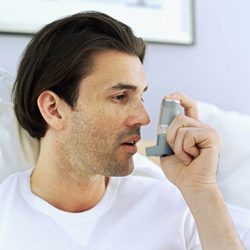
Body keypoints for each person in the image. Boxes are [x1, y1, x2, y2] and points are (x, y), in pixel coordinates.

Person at [0, 11, 247, 249]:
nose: (144, 118)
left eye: (141, 96)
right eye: (119, 97)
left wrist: (203, 190)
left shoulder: (176, 207)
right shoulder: (6, 216)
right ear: (53, 109)